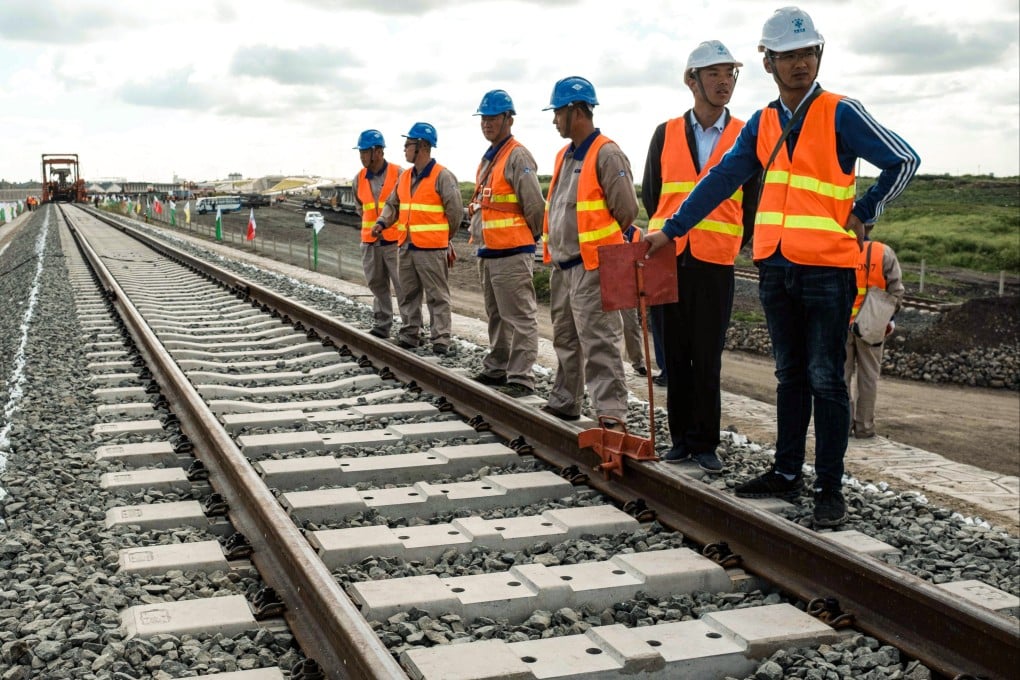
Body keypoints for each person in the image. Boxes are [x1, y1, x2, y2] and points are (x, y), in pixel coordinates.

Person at [644, 7, 920, 527]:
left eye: (808, 53)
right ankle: (787, 473)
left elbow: (903, 159)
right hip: (775, 265)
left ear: (819, 55)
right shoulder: (766, 123)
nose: (800, 64)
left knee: (825, 377)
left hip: (827, 269)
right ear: (768, 62)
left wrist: (865, 211)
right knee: (790, 375)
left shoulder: (841, 112)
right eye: (789, 55)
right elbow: (723, 179)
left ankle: (829, 488)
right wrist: (672, 230)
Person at [642, 40, 759, 474]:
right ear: (692, 80)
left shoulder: (747, 133)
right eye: (714, 73)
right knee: (674, 354)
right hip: (668, 257)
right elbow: (653, 193)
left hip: (714, 259)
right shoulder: (665, 132)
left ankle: (705, 442)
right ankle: (679, 440)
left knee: (707, 356)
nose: (724, 81)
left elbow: (753, 198)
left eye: (730, 73)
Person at [541, 76, 639, 423]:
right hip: (564, 267)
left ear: (575, 111)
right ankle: (566, 399)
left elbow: (627, 211)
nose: (554, 120)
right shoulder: (563, 156)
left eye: (557, 112)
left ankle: (611, 413)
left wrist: (598, 250)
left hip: (594, 267)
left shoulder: (607, 154)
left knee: (599, 342)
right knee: (566, 339)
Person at [468, 89, 546, 398]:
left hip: (512, 250)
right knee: (497, 315)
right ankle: (498, 366)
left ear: (509, 119)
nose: (486, 123)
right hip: (490, 250)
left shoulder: (517, 155)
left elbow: (535, 205)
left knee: (520, 317)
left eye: (493, 118)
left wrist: (530, 237)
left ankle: (521, 376)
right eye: (483, 118)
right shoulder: (490, 158)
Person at [373, 122, 464, 355]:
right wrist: (382, 222)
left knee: (437, 296)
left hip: (432, 248)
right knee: (408, 293)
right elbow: (392, 204)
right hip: (406, 246)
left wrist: (443, 238)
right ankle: (410, 334)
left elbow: (455, 213)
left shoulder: (442, 176)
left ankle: (441, 339)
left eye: (408, 144)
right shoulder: (404, 178)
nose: (404, 149)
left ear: (422, 146)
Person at [845, 227, 904, 438]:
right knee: (868, 378)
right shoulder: (884, 252)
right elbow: (896, 293)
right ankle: (864, 428)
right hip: (872, 325)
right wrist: (888, 319)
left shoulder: (840, 248)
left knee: (840, 378)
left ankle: (841, 426)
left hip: (841, 324)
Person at [352, 129, 403, 339]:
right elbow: (359, 207)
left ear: (378, 151)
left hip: (393, 241)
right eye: (361, 152)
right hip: (370, 242)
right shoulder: (359, 178)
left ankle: (411, 328)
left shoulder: (399, 174)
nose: (361, 156)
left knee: (403, 286)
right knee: (376, 283)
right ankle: (382, 324)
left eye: (365, 151)